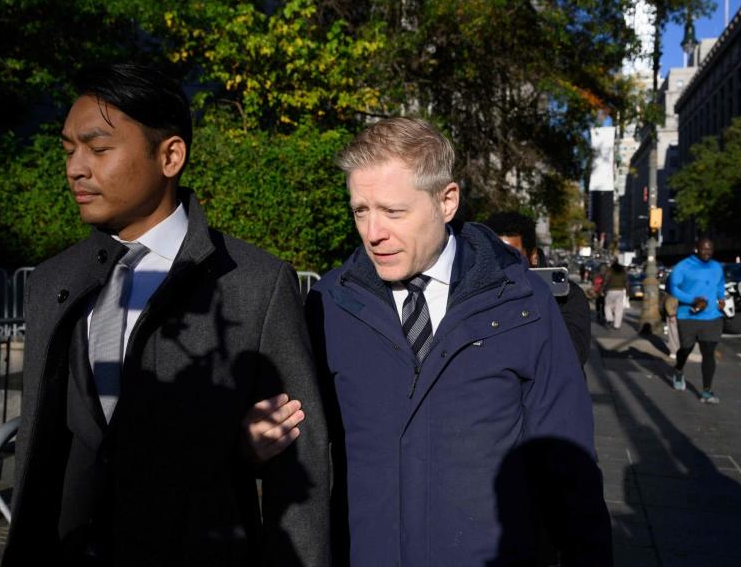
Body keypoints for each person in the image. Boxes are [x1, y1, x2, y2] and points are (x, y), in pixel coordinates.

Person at [3, 64, 330, 566]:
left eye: (98, 148)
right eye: (69, 150)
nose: (75, 167)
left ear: (170, 155)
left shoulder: (255, 284)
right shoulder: (53, 282)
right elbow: (45, 448)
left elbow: (299, 469)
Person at [247, 118, 611, 566]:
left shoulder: (522, 301)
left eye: (393, 211)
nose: (373, 232)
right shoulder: (329, 303)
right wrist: (252, 444)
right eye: (361, 210)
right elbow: (299, 447)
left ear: (447, 201)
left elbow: (569, 461)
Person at [482, 211, 592, 366]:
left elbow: (572, 355)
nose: (502, 265)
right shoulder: (479, 294)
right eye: (494, 256)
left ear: (533, 257)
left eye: (511, 256)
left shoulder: (566, 295)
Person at [668, 238, 726, 404]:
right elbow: (673, 288)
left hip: (712, 317)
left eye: (710, 249)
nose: (707, 252)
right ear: (696, 249)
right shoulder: (683, 266)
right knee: (686, 348)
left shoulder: (716, 267)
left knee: (708, 352)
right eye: (704, 249)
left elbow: (720, 284)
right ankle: (679, 370)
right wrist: (692, 299)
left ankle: (707, 391)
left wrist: (721, 298)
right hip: (688, 316)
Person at [603, 261, 627, 329]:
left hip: (611, 290)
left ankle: (609, 318)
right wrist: (627, 291)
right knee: (619, 308)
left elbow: (606, 280)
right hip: (620, 291)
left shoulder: (610, 271)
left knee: (607, 305)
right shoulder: (622, 272)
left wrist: (603, 288)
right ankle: (617, 325)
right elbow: (626, 281)